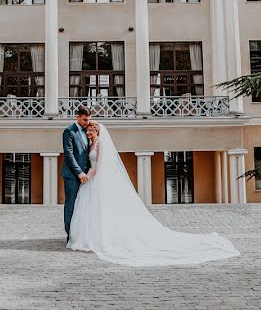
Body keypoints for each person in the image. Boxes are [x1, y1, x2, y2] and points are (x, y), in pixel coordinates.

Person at [67, 120, 240, 266]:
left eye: (91, 130)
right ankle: (89, 237)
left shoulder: (101, 143)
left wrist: (87, 176)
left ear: (96, 131)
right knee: (92, 209)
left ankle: (101, 237)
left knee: (101, 207)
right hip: (91, 180)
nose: (89, 133)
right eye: (88, 130)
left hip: (95, 178)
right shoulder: (91, 143)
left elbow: (99, 165)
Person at [60, 106, 91, 243]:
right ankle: (70, 236)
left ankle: (80, 234)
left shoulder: (87, 132)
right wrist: (79, 173)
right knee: (71, 205)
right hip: (72, 176)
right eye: (84, 119)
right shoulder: (69, 131)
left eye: (88, 120)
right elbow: (69, 155)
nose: (86, 122)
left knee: (83, 205)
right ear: (77, 117)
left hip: (85, 177)